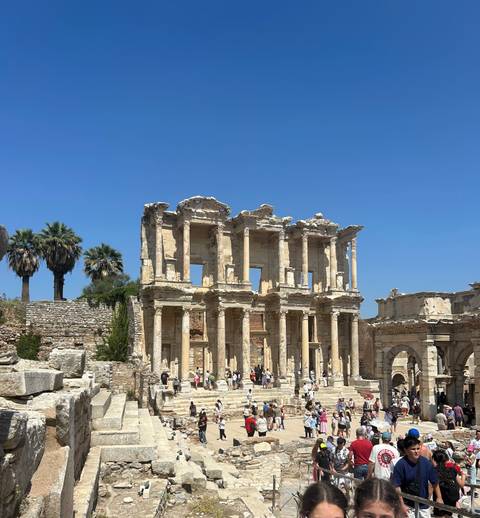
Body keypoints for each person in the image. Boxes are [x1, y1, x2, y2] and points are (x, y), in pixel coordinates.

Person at [392, 436, 442, 518]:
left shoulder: (425, 463)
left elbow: (434, 481)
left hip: (423, 504)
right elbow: (397, 486)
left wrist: (439, 497)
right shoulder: (400, 465)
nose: (416, 452)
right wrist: (401, 505)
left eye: (418, 449)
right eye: (413, 449)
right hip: (408, 505)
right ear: (406, 450)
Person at [432, 449, 464, 517]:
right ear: (446, 458)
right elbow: (461, 484)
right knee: (448, 515)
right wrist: (463, 476)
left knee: (439, 515)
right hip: (451, 497)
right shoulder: (452, 469)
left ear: (435, 460)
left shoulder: (434, 470)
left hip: (439, 497)